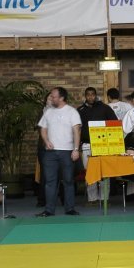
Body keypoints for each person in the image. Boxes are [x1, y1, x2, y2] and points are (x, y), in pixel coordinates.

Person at [36, 86, 82, 217]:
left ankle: (70, 209)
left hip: (67, 152)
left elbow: (76, 131)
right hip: (50, 153)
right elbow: (43, 129)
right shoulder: (48, 112)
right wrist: (46, 141)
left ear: (61, 98)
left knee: (68, 181)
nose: (51, 98)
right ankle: (49, 210)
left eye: (53, 96)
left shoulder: (72, 112)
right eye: (51, 96)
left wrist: (76, 149)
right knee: (50, 182)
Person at [77, 87, 118, 205]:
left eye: (92, 94)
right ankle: (92, 199)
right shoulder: (80, 110)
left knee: (104, 172)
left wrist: (113, 143)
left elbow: (114, 124)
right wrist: (77, 146)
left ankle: (104, 198)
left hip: (103, 145)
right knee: (90, 172)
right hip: (87, 145)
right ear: (85, 96)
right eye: (88, 94)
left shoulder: (105, 108)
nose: (90, 97)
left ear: (96, 95)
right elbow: (76, 129)